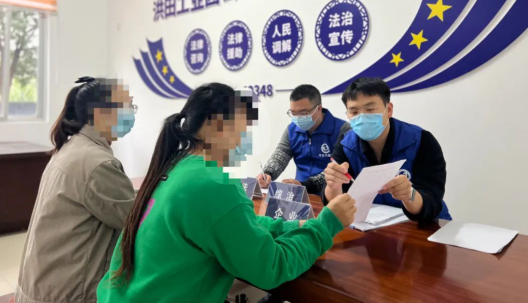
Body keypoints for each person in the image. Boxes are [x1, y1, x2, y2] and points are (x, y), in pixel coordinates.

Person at [97, 83, 356, 303]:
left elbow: (236, 223)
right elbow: (271, 266)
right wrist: (327, 224)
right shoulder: (214, 184)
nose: (243, 140)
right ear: (219, 126)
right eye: (242, 129)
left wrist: (288, 226)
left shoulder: (176, 165)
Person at [15, 77, 137, 303]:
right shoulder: (98, 163)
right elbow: (135, 221)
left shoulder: (73, 147)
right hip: (67, 294)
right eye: (128, 107)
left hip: (40, 287)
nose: (132, 114)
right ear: (101, 113)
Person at [323, 77, 452, 221]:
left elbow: (433, 201)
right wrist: (333, 185)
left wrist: (409, 195)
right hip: (372, 225)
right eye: (354, 112)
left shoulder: (421, 140)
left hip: (424, 226)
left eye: (370, 109)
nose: (362, 117)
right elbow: (335, 205)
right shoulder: (346, 143)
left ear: (389, 109)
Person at [257, 84, 347, 194]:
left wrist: (304, 185)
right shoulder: (292, 130)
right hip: (299, 194)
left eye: (304, 113)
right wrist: (267, 173)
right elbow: (280, 155)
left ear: (318, 109)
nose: (298, 118)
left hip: (332, 195)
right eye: (293, 113)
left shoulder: (342, 130)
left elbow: (338, 169)